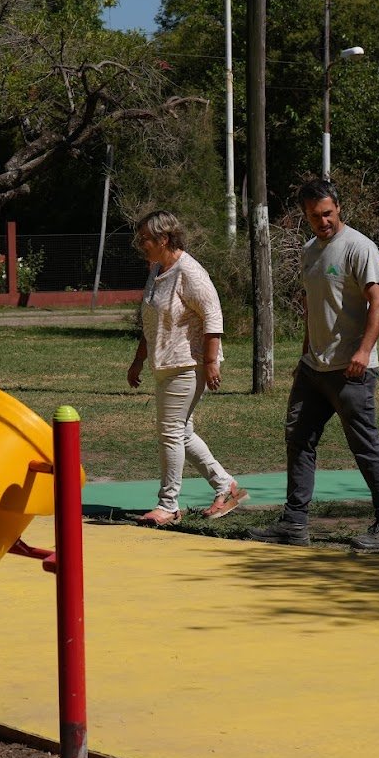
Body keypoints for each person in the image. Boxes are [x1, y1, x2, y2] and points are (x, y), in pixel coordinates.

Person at [251, 179, 379, 550]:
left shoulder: (358, 247)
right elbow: (312, 307)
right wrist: (305, 352)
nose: (323, 222)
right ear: (306, 217)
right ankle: (294, 523)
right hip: (313, 368)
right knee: (298, 439)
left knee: (365, 446)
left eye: (328, 213)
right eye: (315, 216)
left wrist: (364, 353)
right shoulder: (309, 251)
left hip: (351, 370)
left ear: (338, 208)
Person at [126, 210, 247, 526]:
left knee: (170, 432)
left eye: (146, 239)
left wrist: (210, 362)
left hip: (188, 365)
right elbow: (150, 321)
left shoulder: (189, 271)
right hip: (164, 364)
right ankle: (227, 487)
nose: (141, 245)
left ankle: (168, 506)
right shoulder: (157, 270)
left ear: (164, 238)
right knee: (182, 432)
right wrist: (139, 359)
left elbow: (213, 315)